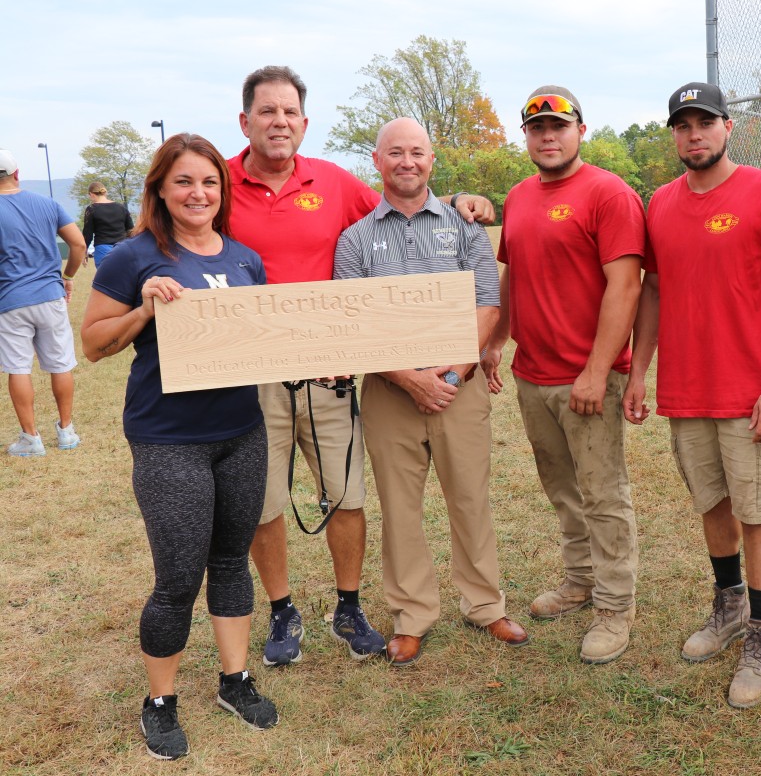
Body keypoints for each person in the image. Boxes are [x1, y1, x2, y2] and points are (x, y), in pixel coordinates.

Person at [227, 66, 494, 666]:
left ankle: (353, 606)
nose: (279, 122)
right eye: (267, 112)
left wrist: (461, 200)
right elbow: (176, 231)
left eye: (289, 112)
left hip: (331, 372)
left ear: (304, 121)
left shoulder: (335, 181)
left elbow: (404, 199)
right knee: (265, 502)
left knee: (346, 496)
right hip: (256, 372)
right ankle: (283, 611)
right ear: (245, 120)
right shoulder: (215, 183)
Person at [81, 133, 281, 760]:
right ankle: (160, 702)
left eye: (210, 183)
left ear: (223, 192)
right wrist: (142, 310)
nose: (199, 194)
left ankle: (234, 680)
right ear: (161, 190)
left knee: (230, 560)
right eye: (185, 182)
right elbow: (93, 343)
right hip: (170, 440)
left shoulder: (246, 259)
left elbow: (263, 340)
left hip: (242, 431)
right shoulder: (135, 256)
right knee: (177, 579)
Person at [622, 82, 761, 707]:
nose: (693, 134)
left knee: (758, 511)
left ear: (728, 127)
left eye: (704, 122)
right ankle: (727, 606)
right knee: (713, 503)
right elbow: (652, 291)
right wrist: (639, 369)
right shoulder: (661, 203)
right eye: (682, 125)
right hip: (687, 388)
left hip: (749, 389)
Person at [333, 118, 528, 666]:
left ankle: (485, 604)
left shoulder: (464, 228)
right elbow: (357, 322)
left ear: (431, 161)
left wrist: (450, 374)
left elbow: (487, 303)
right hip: (390, 391)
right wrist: (409, 378)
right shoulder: (356, 239)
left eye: (417, 152)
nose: (407, 162)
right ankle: (412, 614)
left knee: (470, 497)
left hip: (458, 388)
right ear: (377, 162)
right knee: (400, 507)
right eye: (395, 152)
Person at [482, 86, 644, 665]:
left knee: (603, 493)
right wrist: (498, 338)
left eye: (558, 125)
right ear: (525, 137)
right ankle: (579, 579)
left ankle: (614, 605)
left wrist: (597, 372)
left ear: (580, 130)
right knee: (562, 489)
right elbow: (512, 275)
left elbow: (626, 287)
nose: (548, 136)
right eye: (536, 128)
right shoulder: (520, 196)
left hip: (587, 377)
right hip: (534, 374)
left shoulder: (609, 193)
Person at [0, 149, 86, 456]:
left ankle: (31, 439)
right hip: (50, 296)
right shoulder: (47, 203)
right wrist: (69, 275)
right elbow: (77, 243)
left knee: (18, 368)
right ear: (17, 173)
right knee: (60, 364)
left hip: (10, 300)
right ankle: (66, 431)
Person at [82, 180, 134, 266]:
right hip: (123, 248)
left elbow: (88, 234)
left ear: (91, 194)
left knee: (106, 278)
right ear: (105, 193)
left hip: (103, 249)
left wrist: (84, 251)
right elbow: (131, 230)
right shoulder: (121, 207)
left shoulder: (91, 209)